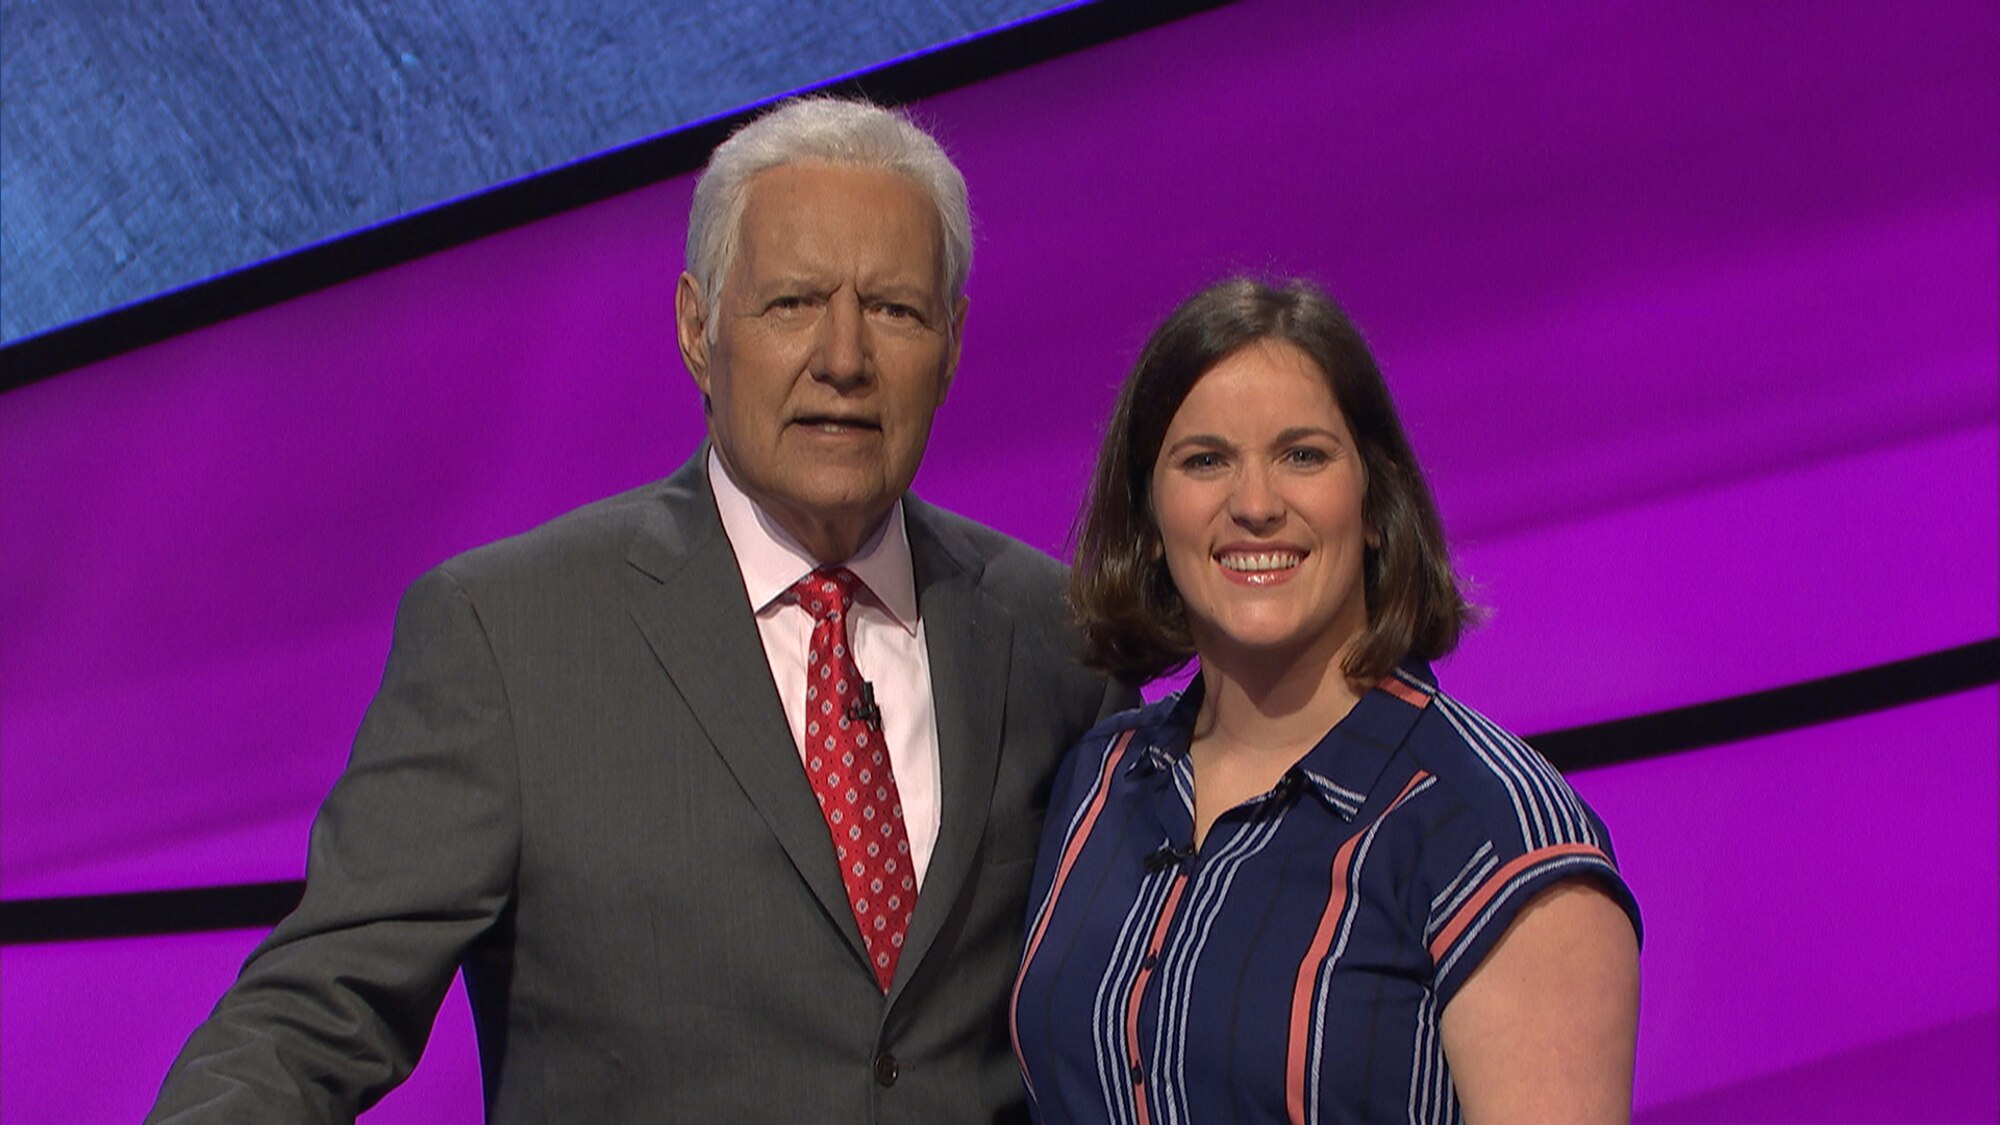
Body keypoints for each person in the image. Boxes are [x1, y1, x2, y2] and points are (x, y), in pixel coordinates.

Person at [150, 97, 1134, 1123]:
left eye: (892, 309)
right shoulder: (509, 637)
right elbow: (316, 1011)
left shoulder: (1056, 642)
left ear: (953, 341)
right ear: (697, 331)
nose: (842, 359)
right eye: (792, 303)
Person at [1012, 278, 1642, 1124]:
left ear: (1376, 504)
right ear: (1152, 518)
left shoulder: (1495, 833)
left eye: (1302, 455)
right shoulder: (1101, 778)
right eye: (1205, 460)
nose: (1257, 504)